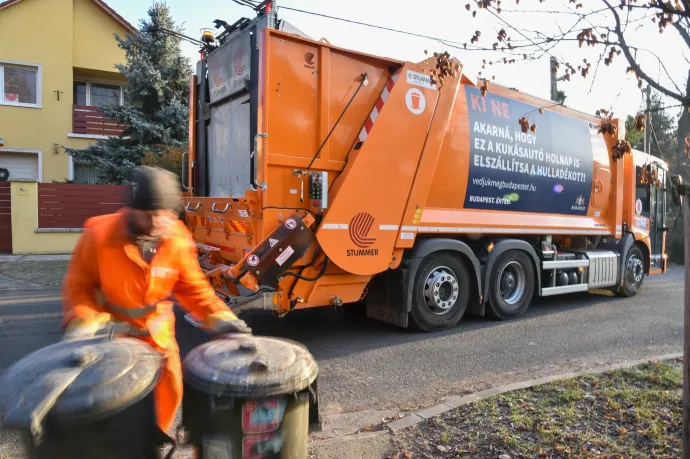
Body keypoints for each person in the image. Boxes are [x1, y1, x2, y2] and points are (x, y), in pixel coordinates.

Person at [61, 166, 251, 433]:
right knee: (116, 407)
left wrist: (222, 319)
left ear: (173, 212)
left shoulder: (177, 238)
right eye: (147, 215)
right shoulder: (99, 235)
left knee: (171, 392)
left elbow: (193, 288)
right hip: (113, 340)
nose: (154, 223)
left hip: (159, 336)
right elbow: (79, 288)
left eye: (162, 215)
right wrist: (84, 322)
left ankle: (156, 443)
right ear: (131, 209)